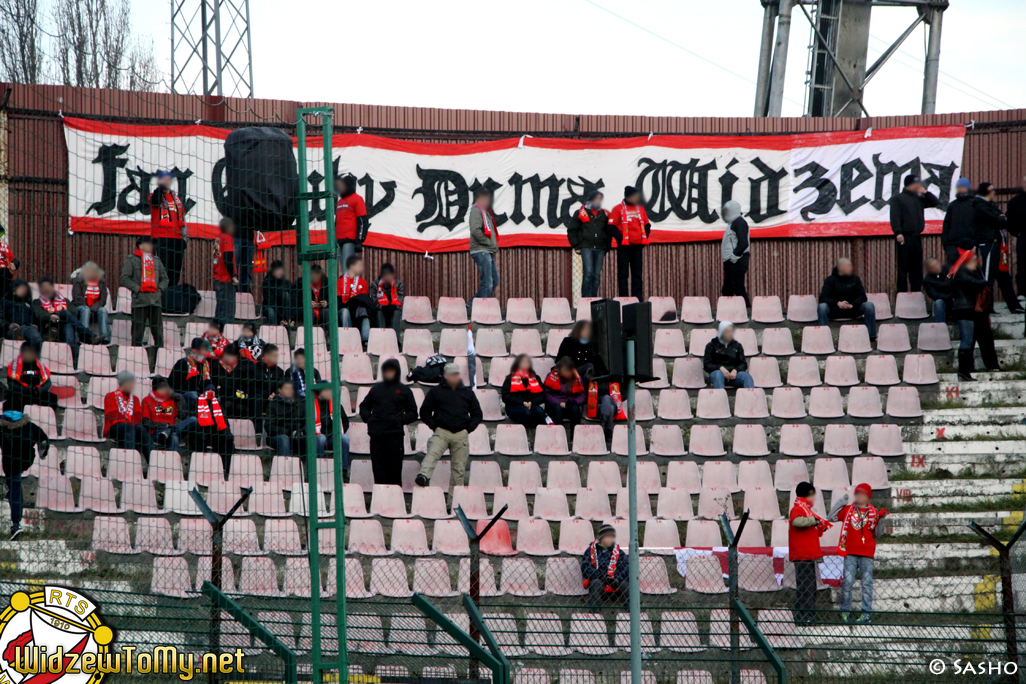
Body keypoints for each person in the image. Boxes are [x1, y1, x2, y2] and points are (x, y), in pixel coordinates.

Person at [415, 363, 482, 493]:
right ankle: (423, 475)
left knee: (459, 471)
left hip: (461, 434)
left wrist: (468, 429)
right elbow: (424, 411)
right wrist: (435, 426)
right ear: (445, 375)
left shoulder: (467, 393)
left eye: (456, 374)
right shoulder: (435, 392)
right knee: (432, 453)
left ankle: (454, 505)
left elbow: (477, 414)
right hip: (442, 432)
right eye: (451, 374)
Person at [828, 483, 888, 624]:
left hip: (867, 552)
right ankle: (844, 612)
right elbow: (830, 518)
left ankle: (866, 613)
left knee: (867, 583)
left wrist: (882, 520)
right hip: (850, 552)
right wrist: (839, 503)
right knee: (847, 582)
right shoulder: (848, 509)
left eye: (863, 494)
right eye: (858, 493)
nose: (860, 496)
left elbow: (878, 534)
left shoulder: (874, 512)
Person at [359, 358, 417, 486]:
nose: (389, 373)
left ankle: (395, 502)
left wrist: (400, 420)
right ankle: (380, 501)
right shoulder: (376, 389)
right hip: (376, 435)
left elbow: (413, 412)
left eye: (392, 370)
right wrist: (369, 419)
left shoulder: (404, 390)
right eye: (387, 370)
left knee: (395, 472)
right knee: (378, 471)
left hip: (394, 436)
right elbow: (364, 406)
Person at [948, 240, 999, 380]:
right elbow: (971, 282)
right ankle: (963, 371)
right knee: (966, 341)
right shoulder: (961, 268)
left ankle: (967, 371)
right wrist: (984, 282)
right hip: (964, 309)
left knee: (970, 340)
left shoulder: (961, 266)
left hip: (969, 309)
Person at [973, 182, 1022, 312]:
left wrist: (1001, 219)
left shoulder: (991, 206)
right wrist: (1001, 219)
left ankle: (1014, 306)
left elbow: (1003, 218)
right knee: (988, 276)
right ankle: (986, 306)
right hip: (989, 243)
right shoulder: (980, 206)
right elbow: (998, 221)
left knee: (1004, 276)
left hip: (998, 244)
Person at [0, 410, 49, 540]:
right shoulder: (29, 425)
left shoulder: (2, 425)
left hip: (9, 460)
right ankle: (16, 524)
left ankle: (16, 524)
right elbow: (43, 439)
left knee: (14, 484)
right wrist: (43, 453)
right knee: (14, 485)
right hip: (24, 458)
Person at [789, 481, 832, 625]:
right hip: (802, 555)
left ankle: (808, 615)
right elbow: (796, 521)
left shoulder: (805, 509)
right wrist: (813, 520)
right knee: (805, 588)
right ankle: (804, 616)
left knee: (810, 587)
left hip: (807, 555)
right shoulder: (798, 509)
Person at [889, 174, 939, 293]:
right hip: (904, 237)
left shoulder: (919, 198)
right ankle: (902, 296)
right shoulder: (898, 198)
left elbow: (935, 202)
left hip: (917, 237)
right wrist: (898, 233)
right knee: (903, 269)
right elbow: (894, 217)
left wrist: (925, 192)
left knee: (916, 269)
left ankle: (916, 294)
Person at [32, 277, 95, 363]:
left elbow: (74, 312)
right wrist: (51, 317)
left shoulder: (64, 300)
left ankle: (73, 360)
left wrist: (59, 315)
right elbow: (39, 314)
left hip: (63, 326)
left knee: (67, 324)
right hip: (50, 328)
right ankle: (87, 336)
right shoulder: (37, 302)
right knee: (65, 314)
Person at [122, 235, 169, 348]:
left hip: (155, 302)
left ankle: (159, 360)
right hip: (139, 303)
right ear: (141, 245)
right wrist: (138, 289)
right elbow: (124, 278)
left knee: (158, 335)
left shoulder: (156, 260)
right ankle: (136, 359)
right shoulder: (131, 259)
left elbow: (165, 279)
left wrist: (159, 290)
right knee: (137, 335)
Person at [817, 258, 877, 341]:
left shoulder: (855, 279)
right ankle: (823, 336)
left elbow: (863, 297)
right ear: (840, 268)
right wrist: (837, 303)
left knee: (869, 306)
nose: (851, 268)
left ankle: (871, 337)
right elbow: (823, 298)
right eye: (848, 266)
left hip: (852, 309)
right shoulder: (830, 280)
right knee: (822, 307)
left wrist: (852, 305)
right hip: (835, 310)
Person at [567, 190, 614, 298]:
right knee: (588, 273)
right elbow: (572, 230)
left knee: (596, 275)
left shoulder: (604, 214)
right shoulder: (580, 212)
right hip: (586, 246)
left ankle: (594, 298)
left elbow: (609, 231)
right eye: (596, 198)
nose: (598, 201)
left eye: (600, 199)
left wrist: (607, 246)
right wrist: (576, 245)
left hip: (600, 247)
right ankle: (585, 298)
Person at [608, 186, 650, 299]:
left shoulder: (640, 208)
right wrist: (621, 239)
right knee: (623, 274)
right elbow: (611, 227)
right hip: (624, 247)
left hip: (637, 247)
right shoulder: (618, 209)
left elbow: (647, 225)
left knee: (637, 274)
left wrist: (643, 240)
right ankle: (624, 298)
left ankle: (638, 299)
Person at [181, 390, 235, 478]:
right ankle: (199, 472)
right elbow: (193, 421)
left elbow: (224, 422)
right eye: (208, 390)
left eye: (212, 391)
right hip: (201, 434)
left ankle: (226, 472)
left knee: (228, 443)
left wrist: (227, 435)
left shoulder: (218, 404)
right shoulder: (196, 403)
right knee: (199, 440)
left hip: (215, 434)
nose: (210, 393)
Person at [266, 380, 327, 458]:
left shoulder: (300, 403)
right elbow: (269, 426)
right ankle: (287, 468)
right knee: (284, 439)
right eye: (287, 388)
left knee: (316, 439)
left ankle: (316, 468)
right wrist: (289, 432)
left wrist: (301, 431)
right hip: (278, 437)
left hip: (298, 437)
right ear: (280, 390)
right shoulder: (273, 405)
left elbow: (307, 422)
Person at [148, 170, 188, 286]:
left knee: (174, 275)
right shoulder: (154, 196)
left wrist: (184, 239)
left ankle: (171, 299)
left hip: (177, 241)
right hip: (161, 239)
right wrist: (160, 188)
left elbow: (183, 219)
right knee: (162, 273)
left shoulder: (176, 199)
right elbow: (155, 201)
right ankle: (162, 300)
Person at [103, 370, 152, 461]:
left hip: (131, 427)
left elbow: (138, 415)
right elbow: (112, 414)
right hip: (114, 428)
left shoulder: (135, 398)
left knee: (142, 429)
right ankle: (129, 463)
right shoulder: (110, 396)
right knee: (129, 428)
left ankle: (153, 464)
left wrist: (130, 423)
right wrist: (129, 422)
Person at [580, 523, 628, 611]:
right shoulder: (591, 550)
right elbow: (586, 568)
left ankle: (630, 611)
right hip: (599, 579)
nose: (612, 539)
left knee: (625, 585)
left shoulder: (618, 551)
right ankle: (594, 612)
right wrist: (602, 575)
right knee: (596, 584)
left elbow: (626, 567)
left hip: (615, 580)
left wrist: (616, 577)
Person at [141, 377, 195, 453]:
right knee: (174, 437)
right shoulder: (147, 400)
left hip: (174, 431)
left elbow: (183, 416)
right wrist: (164, 426)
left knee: (193, 420)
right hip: (157, 433)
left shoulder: (172, 400)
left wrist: (179, 398)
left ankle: (169, 430)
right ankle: (168, 431)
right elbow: (145, 422)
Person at [467, 188, 500, 307]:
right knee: (488, 283)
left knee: (494, 281)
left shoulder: (485, 212)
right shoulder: (476, 210)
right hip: (481, 250)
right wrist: (487, 242)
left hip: (487, 251)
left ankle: (471, 304)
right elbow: (475, 230)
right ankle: (483, 309)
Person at [6, 342, 57, 412]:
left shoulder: (40, 366)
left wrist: (38, 390)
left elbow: (48, 383)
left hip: (37, 394)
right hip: (21, 395)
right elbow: (11, 385)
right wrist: (27, 389)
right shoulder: (14, 366)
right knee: (9, 404)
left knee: (52, 399)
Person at [501, 354, 548, 428]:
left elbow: (543, 395)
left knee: (540, 411)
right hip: (514, 406)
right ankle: (519, 433)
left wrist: (531, 402)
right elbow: (505, 396)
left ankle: (542, 434)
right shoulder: (510, 378)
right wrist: (522, 402)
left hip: (531, 404)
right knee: (526, 412)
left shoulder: (536, 378)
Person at [703, 322, 754, 389]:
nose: (730, 333)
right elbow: (707, 364)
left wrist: (736, 370)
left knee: (746, 377)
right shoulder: (711, 346)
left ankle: (750, 398)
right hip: (717, 374)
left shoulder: (737, 346)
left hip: (734, 375)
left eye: (731, 331)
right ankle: (720, 398)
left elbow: (743, 364)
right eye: (727, 331)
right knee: (718, 374)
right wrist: (720, 368)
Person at [211, 342, 255, 419]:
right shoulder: (216, 367)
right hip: (223, 400)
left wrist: (233, 392)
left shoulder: (246, 367)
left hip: (241, 400)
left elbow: (248, 387)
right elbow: (214, 385)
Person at [170, 338, 215, 412]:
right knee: (193, 395)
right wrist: (188, 390)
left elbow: (209, 381)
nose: (205, 352)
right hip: (184, 394)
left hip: (200, 394)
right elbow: (173, 383)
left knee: (216, 398)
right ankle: (194, 420)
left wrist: (210, 388)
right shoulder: (183, 363)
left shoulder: (206, 365)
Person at [70, 261, 110, 344]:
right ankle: (85, 336)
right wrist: (88, 307)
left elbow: (103, 299)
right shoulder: (78, 281)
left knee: (103, 310)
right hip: (81, 307)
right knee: (85, 309)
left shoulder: (101, 282)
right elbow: (77, 298)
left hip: (95, 308)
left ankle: (105, 337)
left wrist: (94, 308)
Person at [721, 200, 751, 307]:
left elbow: (743, 243)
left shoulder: (739, 222)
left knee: (737, 288)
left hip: (737, 261)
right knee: (727, 289)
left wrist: (734, 257)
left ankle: (747, 313)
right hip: (731, 261)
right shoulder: (732, 223)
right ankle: (726, 312)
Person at [335, 173, 368, 267]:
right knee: (343, 267)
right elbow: (336, 222)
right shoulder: (340, 201)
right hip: (339, 240)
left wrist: (359, 241)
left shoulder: (357, 199)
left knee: (347, 268)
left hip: (350, 239)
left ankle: (350, 282)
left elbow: (362, 220)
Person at [339, 254, 373, 344]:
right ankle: (349, 338)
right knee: (345, 312)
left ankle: (366, 340)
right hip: (343, 308)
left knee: (364, 310)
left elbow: (363, 300)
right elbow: (338, 300)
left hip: (357, 308)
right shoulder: (340, 281)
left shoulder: (363, 282)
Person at [544, 357, 586, 428]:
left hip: (570, 404)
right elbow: (546, 394)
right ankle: (558, 435)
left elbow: (582, 396)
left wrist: (572, 403)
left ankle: (574, 436)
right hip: (554, 405)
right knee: (557, 409)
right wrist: (558, 403)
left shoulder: (577, 378)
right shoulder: (550, 376)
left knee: (575, 409)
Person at [251, 344, 286, 429]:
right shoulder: (253, 368)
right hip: (258, 400)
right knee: (257, 398)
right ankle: (258, 430)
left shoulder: (279, 371)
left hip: (274, 400)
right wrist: (265, 394)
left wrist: (275, 393)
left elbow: (282, 386)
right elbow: (250, 386)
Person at [941, 177, 975, 264]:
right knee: (953, 270)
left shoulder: (974, 204)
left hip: (969, 244)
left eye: (962, 186)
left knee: (968, 271)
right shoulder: (952, 205)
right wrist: (946, 244)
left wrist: (975, 243)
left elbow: (978, 224)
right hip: (953, 245)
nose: (960, 188)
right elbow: (946, 225)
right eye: (958, 187)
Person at [212, 217, 239, 323]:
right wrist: (233, 276)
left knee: (220, 310)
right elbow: (227, 258)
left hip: (218, 277)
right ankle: (225, 337)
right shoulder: (228, 238)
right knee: (228, 313)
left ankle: (217, 336)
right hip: (226, 279)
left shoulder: (218, 239)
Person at [4, 280, 41, 347]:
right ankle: (18, 336)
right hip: (12, 329)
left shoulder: (29, 304)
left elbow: (36, 318)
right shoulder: (4, 302)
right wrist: (8, 325)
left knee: (36, 339)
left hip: (28, 328)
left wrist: (36, 325)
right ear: (14, 290)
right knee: (14, 332)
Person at [1005, 174, 1026, 295]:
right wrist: (1016, 233)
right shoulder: (1015, 201)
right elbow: (1009, 220)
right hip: (1023, 236)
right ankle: (1022, 292)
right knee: (1022, 265)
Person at [373, 263, 404, 336]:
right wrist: (382, 307)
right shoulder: (375, 284)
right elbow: (373, 302)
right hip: (381, 310)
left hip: (393, 309)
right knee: (379, 313)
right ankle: (382, 338)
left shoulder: (398, 284)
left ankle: (395, 341)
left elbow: (399, 302)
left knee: (396, 312)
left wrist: (393, 307)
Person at [262, 260, 296, 326]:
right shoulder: (266, 283)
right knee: (270, 312)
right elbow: (271, 303)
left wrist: (292, 318)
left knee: (286, 295)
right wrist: (281, 318)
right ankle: (274, 331)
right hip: (271, 308)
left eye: (281, 270)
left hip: (285, 311)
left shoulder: (287, 283)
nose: (280, 272)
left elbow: (294, 301)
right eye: (278, 270)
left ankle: (287, 327)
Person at [922, 258, 952, 323]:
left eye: (937, 264)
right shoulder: (927, 280)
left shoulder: (949, 269)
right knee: (938, 303)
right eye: (933, 267)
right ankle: (940, 326)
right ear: (929, 269)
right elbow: (934, 295)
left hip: (957, 300)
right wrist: (950, 297)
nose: (936, 267)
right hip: (945, 301)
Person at [0, 225, 21, 301]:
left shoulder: (3, 246)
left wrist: (15, 263)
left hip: (3, 274)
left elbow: (13, 259)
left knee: (20, 283)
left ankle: (2, 297)